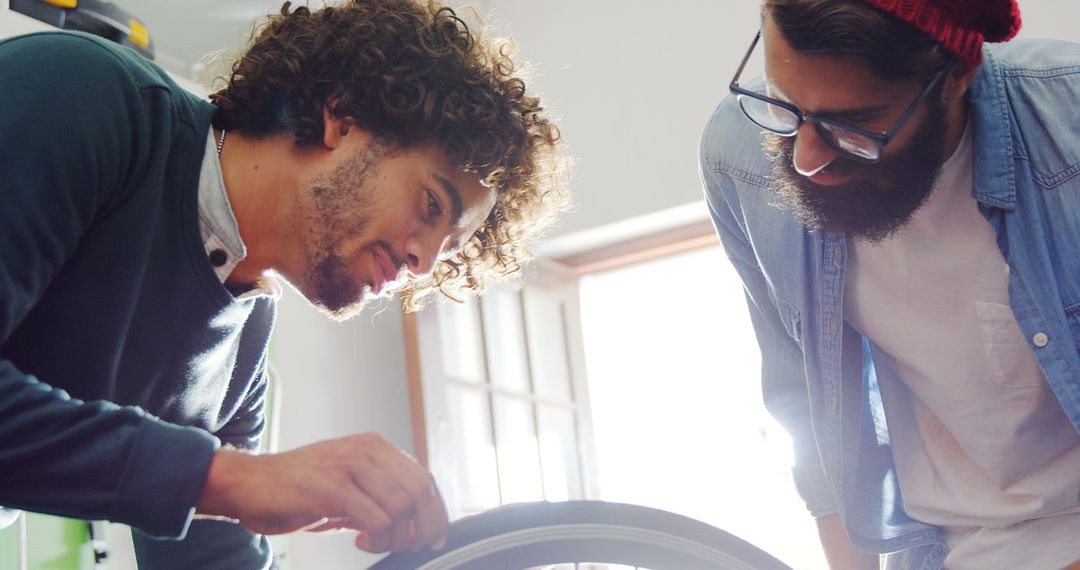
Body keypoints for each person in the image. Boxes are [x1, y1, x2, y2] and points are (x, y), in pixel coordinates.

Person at [0, 0, 567, 567]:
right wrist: (236, 480)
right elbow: (230, 488)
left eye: (447, 250)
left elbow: (210, 558)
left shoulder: (244, 343)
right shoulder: (82, 94)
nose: (422, 262)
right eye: (431, 204)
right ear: (341, 118)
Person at [699, 0, 1080, 568]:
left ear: (957, 75)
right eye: (783, 106)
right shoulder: (737, 157)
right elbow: (805, 403)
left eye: (852, 128)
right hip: (944, 548)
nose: (806, 159)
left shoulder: (1067, 122)